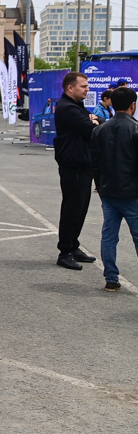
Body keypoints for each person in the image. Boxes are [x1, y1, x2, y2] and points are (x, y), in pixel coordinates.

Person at [90, 85, 138, 293]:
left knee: (109, 235)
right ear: (133, 105)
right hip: (132, 193)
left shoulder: (100, 129)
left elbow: (95, 162)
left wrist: (100, 186)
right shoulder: (135, 128)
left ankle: (111, 278)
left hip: (108, 191)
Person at [54, 71, 100, 271]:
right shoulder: (67, 108)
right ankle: (65, 251)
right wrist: (93, 123)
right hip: (73, 165)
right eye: (84, 86)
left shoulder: (77, 107)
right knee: (73, 208)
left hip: (83, 164)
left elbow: (98, 122)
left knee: (81, 207)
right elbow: (93, 130)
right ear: (70, 88)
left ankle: (73, 246)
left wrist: (94, 121)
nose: (87, 89)